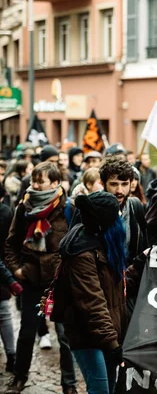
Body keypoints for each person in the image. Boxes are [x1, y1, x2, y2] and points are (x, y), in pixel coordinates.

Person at [3, 161, 78, 394]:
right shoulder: (23, 208)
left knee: (65, 337)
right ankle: (19, 378)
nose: (34, 185)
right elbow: (11, 243)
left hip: (61, 282)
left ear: (55, 183)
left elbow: (78, 244)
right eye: (33, 180)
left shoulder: (69, 208)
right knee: (27, 333)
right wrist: (17, 270)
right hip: (32, 280)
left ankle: (69, 385)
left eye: (40, 181)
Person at [57, 191, 128, 394]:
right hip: (86, 333)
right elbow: (92, 304)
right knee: (100, 389)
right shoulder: (83, 254)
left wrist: (141, 262)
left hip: (105, 332)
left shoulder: (101, 244)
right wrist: (113, 345)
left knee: (110, 386)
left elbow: (116, 285)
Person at [0, 185, 22, 373]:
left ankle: (12, 356)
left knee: (4, 312)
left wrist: (10, 278)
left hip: (2, 269)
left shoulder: (6, 213)